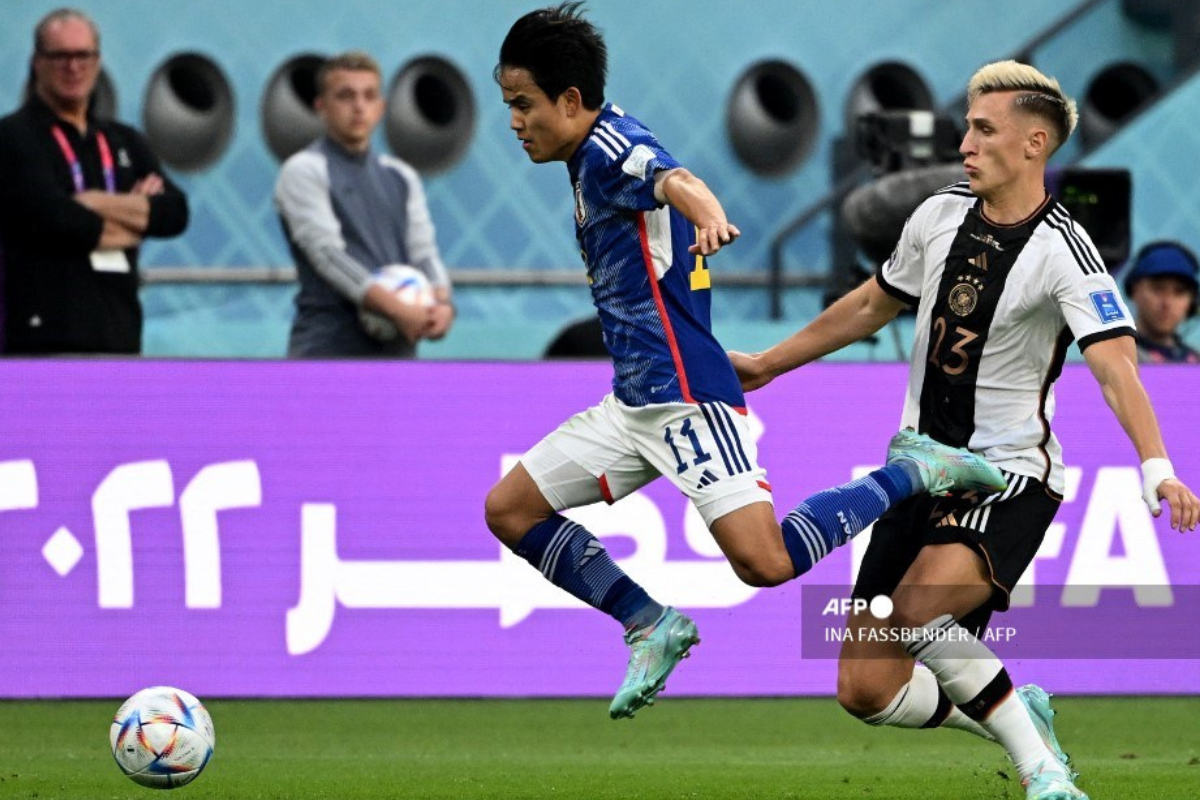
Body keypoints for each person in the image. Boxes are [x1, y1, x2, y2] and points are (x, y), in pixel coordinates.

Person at [484, 2, 1007, 722]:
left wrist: (706, 212)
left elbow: (674, 179)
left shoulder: (611, 149)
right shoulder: (587, 153)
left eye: (522, 104)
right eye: (508, 103)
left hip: (688, 402)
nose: (513, 120)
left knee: (765, 563)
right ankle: (650, 623)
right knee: (509, 509)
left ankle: (918, 471)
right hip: (634, 401)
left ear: (570, 101)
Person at [731, 61, 1199, 800]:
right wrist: (769, 363)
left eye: (984, 131)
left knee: (917, 614)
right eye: (967, 130)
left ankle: (1044, 774)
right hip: (919, 467)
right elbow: (869, 305)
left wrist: (1155, 467)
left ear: (1034, 143)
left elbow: (1116, 367)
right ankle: (1016, 712)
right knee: (865, 688)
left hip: (1007, 475)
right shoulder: (938, 213)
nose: (967, 146)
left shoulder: (1069, 254)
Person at [0, 8, 188, 355]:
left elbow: (175, 213)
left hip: (119, 332)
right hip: (43, 337)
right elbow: (57, 218)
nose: (73, 67)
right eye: (60, 56)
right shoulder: (14, 137)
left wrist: (91, 202)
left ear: (98, 61)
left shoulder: (124, 139)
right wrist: (137, 219)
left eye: (83, 55)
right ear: (37, 62)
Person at [274, 51, 454, 358]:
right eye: (346, 96)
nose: (359, 106)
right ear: (322, 107)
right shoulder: (303, 170)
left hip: (396, 354)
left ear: (381, 107)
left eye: (369, 96)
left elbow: (424, 252)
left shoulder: (402, 176)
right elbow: (328, 256)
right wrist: (397, 309)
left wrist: (441, 305)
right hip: (327, 351)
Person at [1121, 240, 1200, 363]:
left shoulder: (1194, 360)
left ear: (1192, 303)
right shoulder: (1116, 358)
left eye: (1179, 292)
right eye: (1157, 289)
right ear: (1134, 291)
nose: (1167, 303)